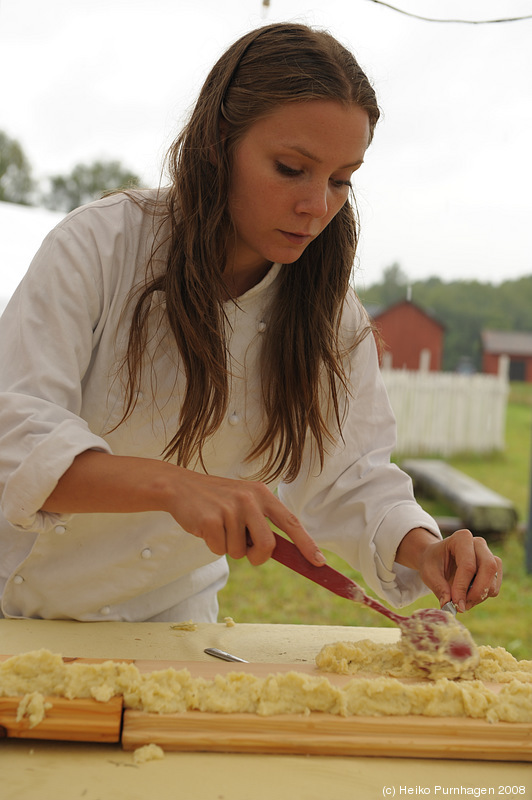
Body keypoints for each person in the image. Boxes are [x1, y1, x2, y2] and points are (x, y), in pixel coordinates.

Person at [0, 22, 501, 623]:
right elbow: (18, 439)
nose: (317, 207)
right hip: (18, 604)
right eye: (291, 168)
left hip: (171, 620)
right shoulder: (101, 247)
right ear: (217, 143)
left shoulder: (329, 312)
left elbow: (348, 476)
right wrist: (175, 486)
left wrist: (425, 550)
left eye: (342, 179)